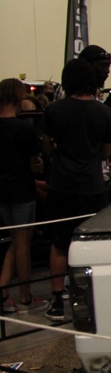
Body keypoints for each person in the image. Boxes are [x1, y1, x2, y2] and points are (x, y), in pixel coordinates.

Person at [43, 59, 111, 321]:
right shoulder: (104, 112)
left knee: (59, 243)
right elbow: (106, 153)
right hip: (92, 184)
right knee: (92, 242)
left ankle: (56, 301)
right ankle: (92, 298)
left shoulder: (53, 110)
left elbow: (47, 148)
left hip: (61, 183)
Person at [0, 78, 45, 314]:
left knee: (15, 242)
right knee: (23, 244)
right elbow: (35, 161)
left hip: (2, 192)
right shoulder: (23, 129)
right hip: (22, 191)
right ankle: (25, 296)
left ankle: (3, 292)